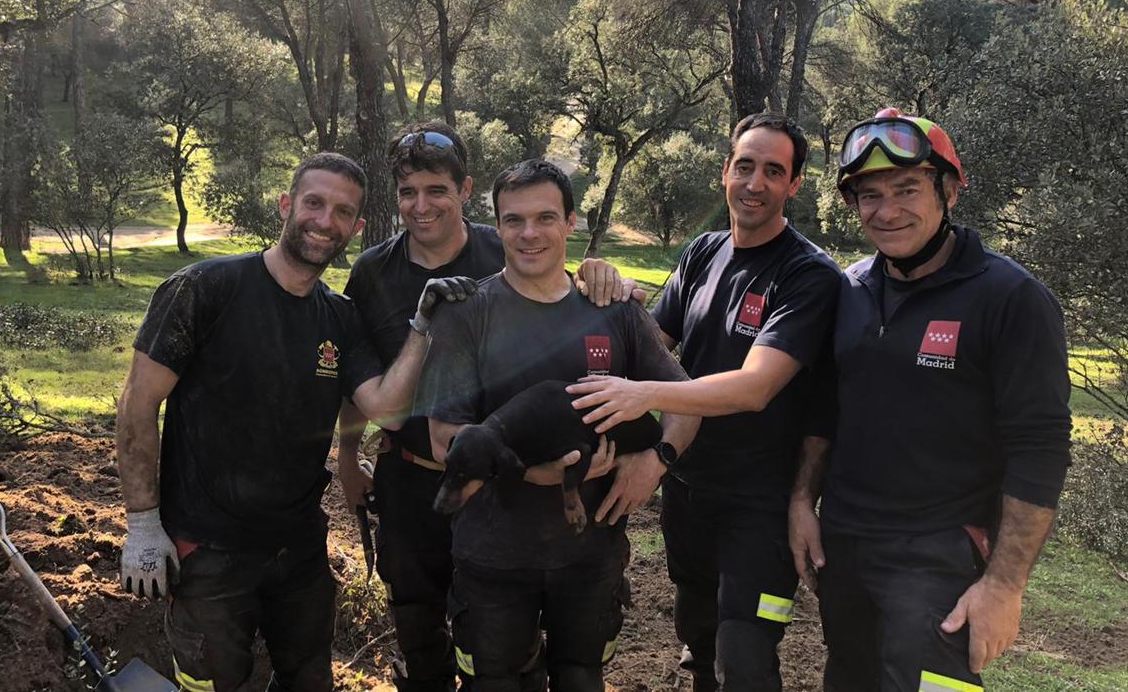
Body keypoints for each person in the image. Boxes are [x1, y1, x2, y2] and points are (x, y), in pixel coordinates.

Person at [115, 152, 475, 692]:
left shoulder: (339, 316)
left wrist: (422, 327)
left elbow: (386, 407)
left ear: (355, 228)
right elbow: (137, 404)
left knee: (308, 678)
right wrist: (142, 524)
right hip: (208, 547)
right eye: (314, 203)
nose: (324, 221)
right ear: (287, 205)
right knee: (211, 682)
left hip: (299, 548)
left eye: (342, 212)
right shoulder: (206, 289)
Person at [335, 123, 637, 692]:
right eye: (407, 192)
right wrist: (349, 457)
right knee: (420, 628)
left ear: (465, 190)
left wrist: (601, 273)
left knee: (505, 642)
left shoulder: (502, 246)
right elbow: (357, 376)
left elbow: (562, 291)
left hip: (504, 489)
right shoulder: (373, 271)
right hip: (413, 477)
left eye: (436, 190)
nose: (421, 207)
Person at [792, 108, 1072, 692]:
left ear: (949, 190)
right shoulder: (850, 289)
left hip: (941, 557)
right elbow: (826, 411)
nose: (887, 211)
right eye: (869, 195)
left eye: (906, 189)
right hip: (845, 546)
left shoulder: (1011, 297)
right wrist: (802, 501)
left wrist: (1004, 587)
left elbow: (1040, 451)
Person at [567, 113, 842, 691]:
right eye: (745, 166)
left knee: (743, 657)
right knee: (699, 644)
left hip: (761, 505)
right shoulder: (703, 252)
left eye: (774, 171)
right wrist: (608, 292)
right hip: (689, 494)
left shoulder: (809, 275)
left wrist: (643, 395)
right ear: (725, 172)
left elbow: (755, 386)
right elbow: (651, 343)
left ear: (794, 185)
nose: (755, 183)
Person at [416, 159, 700, 692]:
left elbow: (685, 401)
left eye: (545, 217)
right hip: (493, 553)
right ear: (495, 226)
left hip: (590, 555)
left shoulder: (613, 310)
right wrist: (530, 473)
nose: (529, 234)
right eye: (513, 220)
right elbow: (442, 438)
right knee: (494, 681)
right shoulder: (467, 313)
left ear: (571, 223)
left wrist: (656, 462)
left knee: (581, 677)